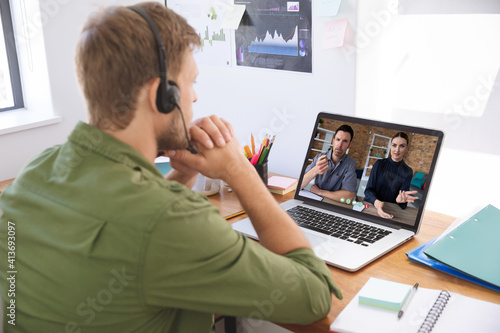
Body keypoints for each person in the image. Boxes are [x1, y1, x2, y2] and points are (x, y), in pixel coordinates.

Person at [0, 3, 342, 332]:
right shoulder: (172, 221)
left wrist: (186, 171)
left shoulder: (34, 173)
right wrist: (239, 170)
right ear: (162, 96)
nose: (194, 97)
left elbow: (134, 229)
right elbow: (315, 295)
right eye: (191, 82)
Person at [364, 132, 418, 219]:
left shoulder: (408, 171)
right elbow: (368, 191)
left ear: (406, 148)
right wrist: (378, 204)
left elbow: (403, 202)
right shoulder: (379, 164)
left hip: (392, 213)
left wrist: (399, 200)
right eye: (394, 145)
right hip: (373, 206)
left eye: (402, 146)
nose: (397, 150)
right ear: (390, 146)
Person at [301, 124, 357, 202]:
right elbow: (299, 185)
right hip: (315, 199)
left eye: (345, 141)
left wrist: (320, 192)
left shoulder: (350, 164)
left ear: (349, 145)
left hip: (333, 203)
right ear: (333, 141)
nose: (340, 145)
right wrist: (315, 170)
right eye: (338, 139)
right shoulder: (319, 157)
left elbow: (349, 197)